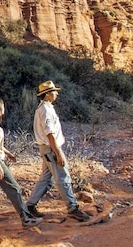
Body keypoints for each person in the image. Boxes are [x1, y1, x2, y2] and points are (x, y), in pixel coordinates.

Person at [25, 81, 91, 222]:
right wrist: (58, 152)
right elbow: (50, 134)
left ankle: (30, 206)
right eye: (54, 91)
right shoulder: (46, 110)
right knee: (63, 177)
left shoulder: (43, 108)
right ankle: (72, 208)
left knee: (46, 179)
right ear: (47, 94)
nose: (57, 93)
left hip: (47, 149)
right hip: (51, 148)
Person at [0, 97, 43, 229]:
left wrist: (9, 154)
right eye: (3, 106)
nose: (4, 108)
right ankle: (26, 218)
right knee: (14, 188)